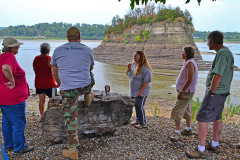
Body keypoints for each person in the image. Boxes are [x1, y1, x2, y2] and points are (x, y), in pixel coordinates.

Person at [186, 31, 234, 159]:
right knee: (217, 118)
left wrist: (211, 92)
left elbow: (217, 76)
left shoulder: (222, 54)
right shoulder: (226, 52)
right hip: (222, 93)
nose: (207, 44)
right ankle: (214, 144)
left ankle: (201, 150)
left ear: (212, 41)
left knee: (202, 118)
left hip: (216, 93)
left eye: (207, 41)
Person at [50, 27, 95, 160]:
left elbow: (54, 69)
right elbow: (90, 67)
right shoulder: (87, 49)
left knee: (70, 117)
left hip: (68, 89)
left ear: (67, 37)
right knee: (90, 76)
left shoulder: (58, 50)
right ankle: (88, 94)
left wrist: (59, 83)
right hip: (84, 85)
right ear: (79, 36)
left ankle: (72, 150)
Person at [0, 37, 34, 154]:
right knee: (18, 122)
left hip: (3, 96)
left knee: (7, 121)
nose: (18, 47)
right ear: (11, 47)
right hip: (13, 97)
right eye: (16, 46)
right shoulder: (10, 57)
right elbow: (5, 68)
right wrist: (13, 81)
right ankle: (19, 147)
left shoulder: (1, 57)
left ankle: (9, 145)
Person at [170, 46, 198, 142]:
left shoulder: (190, 63)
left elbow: (189, 79)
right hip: (187, 91)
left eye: (182, 52)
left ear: (185, 54)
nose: (181, 53)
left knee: (177, 110)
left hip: (186, 92)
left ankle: (177, 132)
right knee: (186, 109)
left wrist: (182, 91)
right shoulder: (188, 62)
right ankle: (188, 129)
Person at [126, 51, 153, 129]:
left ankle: (143, 123)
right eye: (134, 55)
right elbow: (129, 75)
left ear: (141, 57)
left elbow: (146, 81)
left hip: (142, 91)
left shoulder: (145, 68)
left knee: (139, 106)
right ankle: (138, 120)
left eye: (136, 55)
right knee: (137, 105)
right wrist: (128, 69)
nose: (134, 56)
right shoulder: (134, 64)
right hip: (134, 90)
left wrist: (140, 91)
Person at [33, 43, 57, 122]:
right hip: (50, 83)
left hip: (39, 82)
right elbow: (53, 71)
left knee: (41, 101)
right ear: (49, 51)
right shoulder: (49, 58)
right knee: (53, 100)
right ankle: (53, 115)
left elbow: (35, 69)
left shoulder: (36, 58)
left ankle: (42, 116)